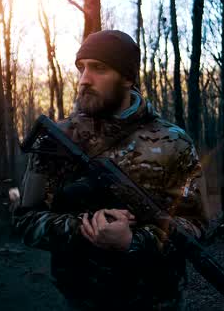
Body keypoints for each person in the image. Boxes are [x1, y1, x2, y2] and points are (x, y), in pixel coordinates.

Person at [13, 30, 211, 310]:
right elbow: (26, 221)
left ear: (128, 78)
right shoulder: (56, 140)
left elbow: (197, 222)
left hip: (159, 301)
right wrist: (86, 228)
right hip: (81, 301)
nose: (84, 79)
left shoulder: (174, 142)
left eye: (99, 68)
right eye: (81, 68)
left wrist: (135, 240)